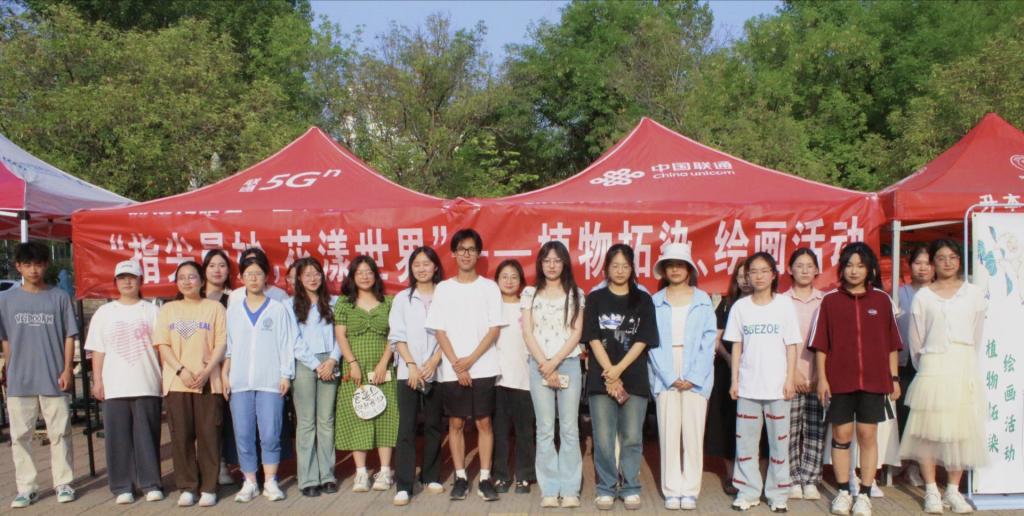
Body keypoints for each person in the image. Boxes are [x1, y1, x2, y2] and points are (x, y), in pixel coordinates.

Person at [810, 242, 903, 516]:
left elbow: (892, 344)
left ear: (870, 269)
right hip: (839, 381)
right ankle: (842, 491)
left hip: (874, 381)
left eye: (860, 265)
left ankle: (864, 493)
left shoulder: (882, 300)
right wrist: (822, 379)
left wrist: (894, 378)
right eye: (849, 265)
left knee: (867, 435)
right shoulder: (830, 301)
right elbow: (821, 345)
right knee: (841, 435)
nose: (854, 271)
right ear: (842, 268)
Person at [900, 240, 987, 514]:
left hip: (962, 365)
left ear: (960, 261)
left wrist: (961, 358)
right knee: (928, 431)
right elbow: (915, 341)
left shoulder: (973, 294)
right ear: (933, 263)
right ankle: (930, 489)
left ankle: (952, 489)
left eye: (952, 257)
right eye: (941, 257)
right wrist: (928, 365)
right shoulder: (923, 297)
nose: (947, 262)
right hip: (932, 366)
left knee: (959, 431)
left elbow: (976, 334)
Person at [424, 228, 505, 502]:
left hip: (483, 366)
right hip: (452, 368)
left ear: (478, 253)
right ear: (454, 254)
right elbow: (439, 330)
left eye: (471, 249)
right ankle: (460, 477)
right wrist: (457, 365)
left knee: (484, 422)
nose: (466, 254)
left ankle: (484, 478)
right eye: (461, 249)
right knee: (456, 422)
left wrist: (470, 360)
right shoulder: (444, 289)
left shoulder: (489, 287)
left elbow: (494, 329)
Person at [0, 241, 79, 508]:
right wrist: (9, 368)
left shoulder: (59, 297)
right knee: (20, 436)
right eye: (27, 265)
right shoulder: (5, 300)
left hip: (54, 376)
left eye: (38, 264)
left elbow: (69, 336)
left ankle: (63, 482)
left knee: (60, 433)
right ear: (18, 267)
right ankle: (27, 487)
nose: (33, 270)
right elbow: (6, 339)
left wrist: (67, 369)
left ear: (46, 265)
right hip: (19, 379)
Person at [583, 243, 659, 511]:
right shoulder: (595, 298)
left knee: (632, 436)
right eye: (614, 265)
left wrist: (619, 369)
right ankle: (605, 487)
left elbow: (643, 339)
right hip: (601, 378)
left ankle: (630, 487)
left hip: (634, 377)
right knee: (603, 438)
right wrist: (610, 371)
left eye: (625, 266)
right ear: (606, 268)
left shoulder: (643, 299)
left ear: (632, 268)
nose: (619, 270)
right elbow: (592, 337)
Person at [725, 252, 800, 512]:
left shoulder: (784, 305)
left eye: (763, 271)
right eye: (753, 272)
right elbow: (737, 346)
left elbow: (792, 345)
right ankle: (747, 492)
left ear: (773, 275)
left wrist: (790, 379)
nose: (758, 276)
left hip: (778, 388)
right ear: (747, 276)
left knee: (779, 442)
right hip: (748, 386)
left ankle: (778, 494)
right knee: (746, 442)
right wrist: (735, 380)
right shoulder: (740, 307)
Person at [86, 260, 164, 504]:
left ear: (141, 281)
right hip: (115, 385)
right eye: (122, 278)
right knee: (117, 439)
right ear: (115, 282)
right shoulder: (104, 313)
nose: (127, 282)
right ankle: (122, 486)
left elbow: (161, 348)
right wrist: (97, 380)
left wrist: (164, 377)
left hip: (147, 382)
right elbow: (98, 350)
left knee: (148, 437)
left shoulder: (152, 311)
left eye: (132, 277)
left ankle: (151, 483)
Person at [647, 243, 717, 511]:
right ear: (664, 270)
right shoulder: (655, 302)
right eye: (670, 265)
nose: (675, 269)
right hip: (664, 369)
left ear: (689, 269)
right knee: (668, 431)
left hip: (696, 369)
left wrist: (694, 375)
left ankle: (689, 489)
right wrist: (668, 375)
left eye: (680, 265)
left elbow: (708, 341)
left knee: (693, 432)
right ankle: (671, 489)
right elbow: (651, 343)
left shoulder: (703, 300)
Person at [223, 250, 296, 503]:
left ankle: (271, 481)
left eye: (258, 273)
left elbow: (286, 344)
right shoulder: (233, 310)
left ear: (266, 277)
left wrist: (286, 374)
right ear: (241, 277)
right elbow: (229, 347)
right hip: (240, 382)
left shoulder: (277, 308)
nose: (253, 278)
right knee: (243, 434)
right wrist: (225, 373)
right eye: (248, 274)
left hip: (270, 382)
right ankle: (250, 481)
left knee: (270, 433)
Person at [155, 261, 227, 507]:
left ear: (202, 281)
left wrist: (207, 370)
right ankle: (187, 486)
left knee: (209, 436)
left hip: (208, 382)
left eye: (192, 277)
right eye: (182, 278)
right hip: (177, 383)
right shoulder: (168, 310)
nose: (187, 282)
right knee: (181, 437)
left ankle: (209, 487)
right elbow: (163, 344)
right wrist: (181, 370)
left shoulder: (215, 308)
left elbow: (221, 343)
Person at [521, 241, 585, 509]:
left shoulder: (576, 294)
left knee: (569, 428)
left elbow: (577, 332)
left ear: (565, 263)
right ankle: (549, 488)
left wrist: (555, 361)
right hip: (539, 366)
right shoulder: (530, 293)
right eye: (547, 260)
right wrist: (544, 363)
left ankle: (570, 488)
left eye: (557, 260)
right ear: (540, 263)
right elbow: (527, 332)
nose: (552, 265)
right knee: (545, 428)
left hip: (568, 363)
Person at [334, 256, 398, 492]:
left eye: (369, 272)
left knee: (386, 416)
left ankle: (385, 470)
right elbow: (340, 336)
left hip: (383, 368)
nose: (364, 276)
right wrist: (352, 363)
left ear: (375, 275)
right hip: (355, 370)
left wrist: (383, 363)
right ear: (352, 276)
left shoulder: (388, 302)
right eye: (359, 272)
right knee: (357, 416)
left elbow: (393, 335)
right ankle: (361, 473)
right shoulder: (344, 303)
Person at [391, 247, 446, 506]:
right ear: (411, 269)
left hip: (437, 369)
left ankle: (431, 475)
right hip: (408, 372)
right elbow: (397, 336)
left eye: (426, 264)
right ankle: (404, 484)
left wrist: (434, 361)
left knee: (434, 424)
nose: (422, 269)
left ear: (435, 267)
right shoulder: (402, 298)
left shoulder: (445, 296)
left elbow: (450, 332)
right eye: (417, 265)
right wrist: (411, 365)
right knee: (407, 427)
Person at [291, 257, 341, 497]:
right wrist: (315, 365)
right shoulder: (290, 306)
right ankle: (308, 478)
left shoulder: (334, 302)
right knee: (306, 422)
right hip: (304, 364)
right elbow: (293, 340)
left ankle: (327, 475)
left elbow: (341, 336)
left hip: (330, 362)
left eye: (316, 273)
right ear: (299, 279)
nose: (313, 278)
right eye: (307, 274)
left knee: (326, 420)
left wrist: (332, 360)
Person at [783, 248, 826, 501]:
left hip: (819, 376)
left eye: (810, 266)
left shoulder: (825, 301)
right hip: (790, 375)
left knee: (815, 429)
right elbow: (779, 341)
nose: (805, 270)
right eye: (799, 265)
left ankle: (811, 479)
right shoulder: (781, 301)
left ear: (817, 270)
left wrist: (819, 375)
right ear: (790, 269)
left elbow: (830, 340)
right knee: (789, 429)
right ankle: (791, 478)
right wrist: (794, 373)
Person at [705, 260, 752, 495]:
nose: (745, 280)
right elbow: (716, 339)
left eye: (749, 275)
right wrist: (729, 358)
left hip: (756, 373)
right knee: (728, 423)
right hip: (727, 371)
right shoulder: (726, 304)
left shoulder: (767, 305)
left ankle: (753, 476)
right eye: (740, 276)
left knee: (754, 425)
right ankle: (731, 476)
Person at [491, 259, 536, 495]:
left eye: (514, 277)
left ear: (521, 281)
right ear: (497, 280)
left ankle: (524, 475)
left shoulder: (527, 307)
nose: (509, 281)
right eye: (504, 277)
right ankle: (500, 475)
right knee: (499, 431)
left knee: (524, 430)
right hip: (496, 378)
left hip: (524, 377)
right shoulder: (491, 307)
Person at [201, 248, 239, 486]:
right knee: (204, 419)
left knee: (224, 417)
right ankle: (207, 466)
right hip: (198, 367)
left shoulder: (234, 298)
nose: (217, 270)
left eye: (222, 265)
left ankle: (224, 464)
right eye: (212, 265)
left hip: (226, 365)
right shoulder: (193, 297)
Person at [895, 245, 932, 488]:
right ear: (910, 267)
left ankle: (918, 466)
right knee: (903, 412)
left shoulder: (938, 295)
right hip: (903, 361)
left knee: (924, 416)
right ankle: (902, 462)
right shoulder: (900, 293)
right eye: (918, 263)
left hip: (930, 363)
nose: (923, 268)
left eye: (927, 263)